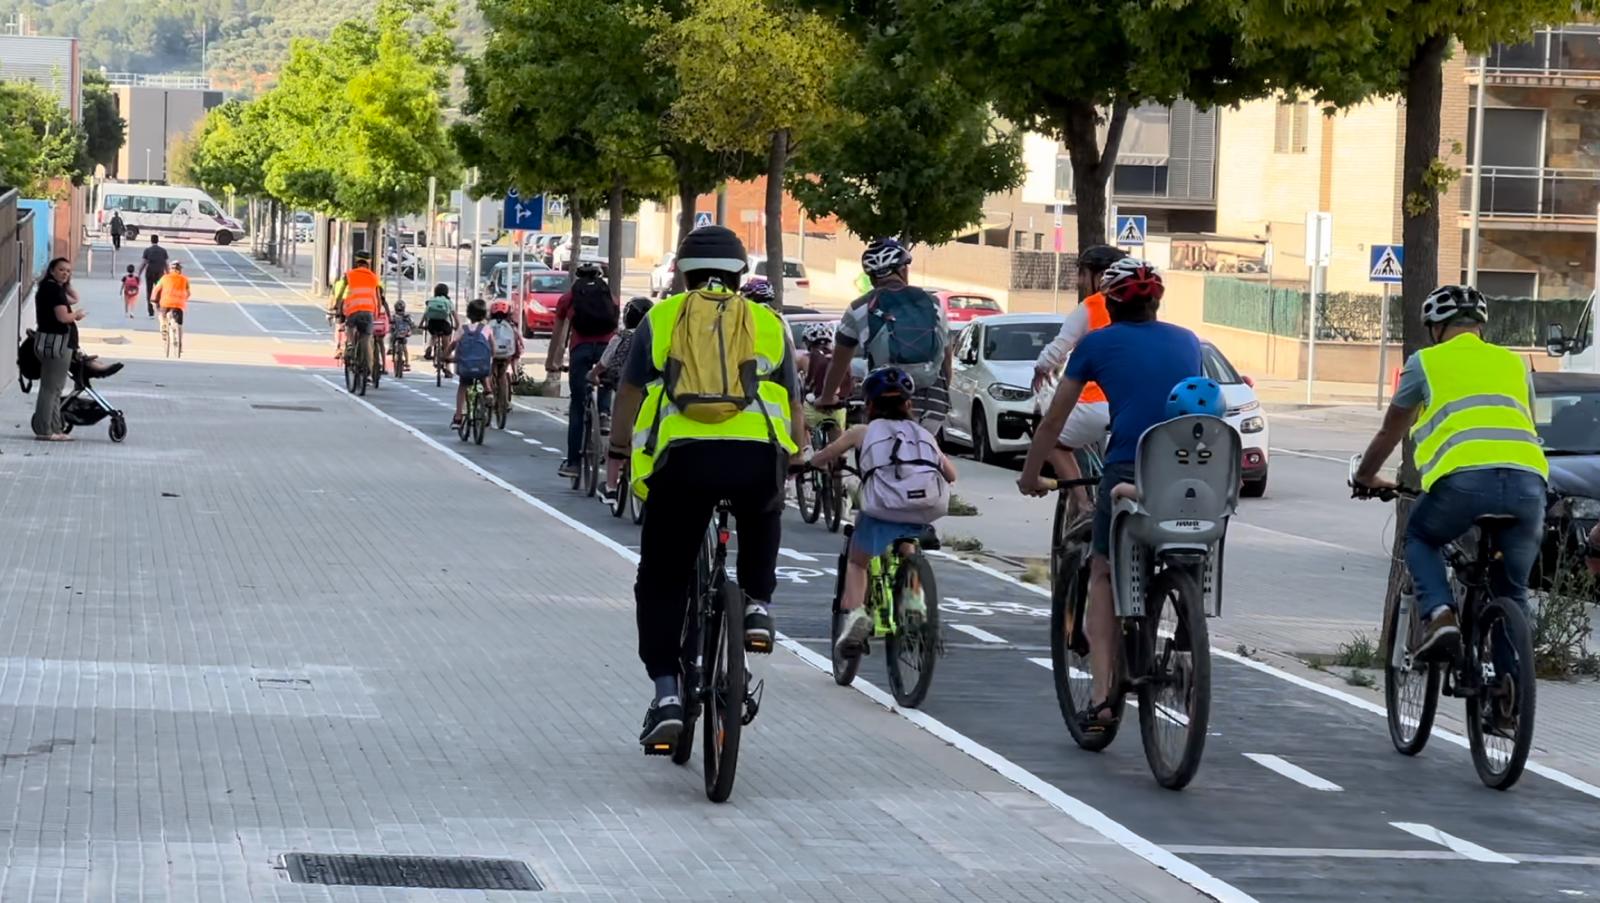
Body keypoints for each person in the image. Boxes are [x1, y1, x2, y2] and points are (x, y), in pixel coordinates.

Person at [608, 225, 804, 748]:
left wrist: (618, 454)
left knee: (662, 576)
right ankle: (758, 603)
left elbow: (628, 394)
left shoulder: (661, 318)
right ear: (742, 274)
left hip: (682, 463)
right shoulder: (768, 323)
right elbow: (794, 403)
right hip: (755, 457)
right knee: (764, 510)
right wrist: (799, 456)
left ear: (681, 274)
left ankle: (668, 694)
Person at [1017, 258, 1203, 734]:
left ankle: (1101, 701)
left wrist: (1031, 474)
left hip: (1128, 465)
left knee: (1102, 571)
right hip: (1191, 473)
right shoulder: (1187, 340)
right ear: (1157, 302)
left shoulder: (1097, 343)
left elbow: (1055, 421)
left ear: (1111, 303)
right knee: (1186, 545)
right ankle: (1186, 632)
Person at [1352, 285, 1548, 661]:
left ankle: (1441, 615)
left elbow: (1390, 431)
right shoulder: (1514, 364)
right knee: (1511, 592)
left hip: (1462, 481)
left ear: (1435, 328)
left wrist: (1365, 477)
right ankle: (1508, 703)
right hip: (1528, 483)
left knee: (1421, 537)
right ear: (1480, 326)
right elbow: (1530, 425)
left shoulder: (1425, 362)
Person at [810, 367, 958, 657]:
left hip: (882, 509)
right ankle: (914, 600)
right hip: (925, 508)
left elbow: (825, 456)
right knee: (907, 544)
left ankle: (856, 615)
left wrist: (806, 463)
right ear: (909, 405)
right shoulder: (923, 434)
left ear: (869, 405)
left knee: (857, 562)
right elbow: (950, 474)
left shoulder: (862, 431)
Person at [817, 237, 951, 433]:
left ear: (872, 278)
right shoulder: (933, 303)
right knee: (927, 453)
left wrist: (827, 397)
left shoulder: (858, 308)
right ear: (903, 270)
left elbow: (839, 362)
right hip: (931, 402)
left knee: (877, 451)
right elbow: (947, 359)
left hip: (884, 397)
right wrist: (945, 391)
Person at [1031, 244, 1126, 516]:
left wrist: (1041, 368)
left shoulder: (1091, 306)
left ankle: (1082, 502)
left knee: (1052, 442)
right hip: (1126, 406)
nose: (1080, 281)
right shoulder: (1138, 310)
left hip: (1093, 404)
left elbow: (1059, 348)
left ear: (1100, 275)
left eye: (1083, 274)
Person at [547, 262, 618, 478]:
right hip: (607, 349)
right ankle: (604, 413)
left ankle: (573, 464)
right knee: (606, 378)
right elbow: (615, 328)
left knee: (577, 405)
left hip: (581, 350)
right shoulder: (611, 297)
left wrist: (552, 362)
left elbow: (559, 335)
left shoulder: (568, 299)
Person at [592, 295, 653, 503]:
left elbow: (604, 363)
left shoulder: (622, 337)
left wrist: (592, 375)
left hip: (626, 392)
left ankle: (610, 488)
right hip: (652, 395)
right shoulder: (656, 336)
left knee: (617, 440)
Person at [31, 257, 85, 441]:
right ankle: (45, 429)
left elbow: (74, 297)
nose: (65, 273)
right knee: (51, 388)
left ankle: (54, 428)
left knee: (53, 387)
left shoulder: (50, 288)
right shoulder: (53, 290)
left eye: (68, 271)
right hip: (57, 343)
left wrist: (66, 283)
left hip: (52, 341)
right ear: (52, 270)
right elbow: (62, 317)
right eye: (61, 269)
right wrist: (75, 315)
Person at [449, 298, 494, 429]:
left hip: (466, 366)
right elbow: (493, 348)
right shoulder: (487, 329)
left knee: (463, 386)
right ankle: (488, 391)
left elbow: (453, 344)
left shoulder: (463, 329)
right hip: (482, 365)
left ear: (468, 314)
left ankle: (458, 417)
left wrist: (446, 356)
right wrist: (490, 357)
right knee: (484, 374)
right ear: (484, 314)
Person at [335, 256, 382, 378]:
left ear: (357, 265)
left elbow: (340, 293)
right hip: (368, 311)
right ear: (367, 266)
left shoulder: (350, 275)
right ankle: (368, 368)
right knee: (366, 338)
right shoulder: (373, 277)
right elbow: (378, 298)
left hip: (353, 309)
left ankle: (350, 344)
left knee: (350, 327)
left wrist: (337, 305)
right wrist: (377, 313)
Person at [799, 322, 849, 436]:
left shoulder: (804, 359)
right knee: (838, 444)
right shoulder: (839, 357)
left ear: (808, 342)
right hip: (837, 407)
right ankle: (841, 453)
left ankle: (802, 450)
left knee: (798, 421)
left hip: (813, 408)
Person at [487, 297, 525, 407]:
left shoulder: (489, 325)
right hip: (507, 354)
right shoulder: (511, 327)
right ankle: (505, 402)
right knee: (502, 374)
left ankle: (489, 394)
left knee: (491, 371)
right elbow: (518, 344)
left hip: (493, 354)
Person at [151, 261, 191, 345]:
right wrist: (184, 299)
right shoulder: (184, 279)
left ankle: (163, 327)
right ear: (180, 270)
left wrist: (153, 300)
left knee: (161, 315)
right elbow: (188, 293)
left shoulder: (164, 278)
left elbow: (156, 289)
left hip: (165, 303)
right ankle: (179, 342)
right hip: (179, 304)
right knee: (179, 324)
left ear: (170, 269)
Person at [421, 283, 457, 373]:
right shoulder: (448, 302)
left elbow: (426, 314)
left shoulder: (431, 301)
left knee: (433, 335)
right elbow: (455, 316)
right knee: (446, 345)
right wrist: (457, 326)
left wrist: (421, 324)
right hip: (444, 324)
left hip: (432, 323)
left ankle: (429, 347)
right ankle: (448, 369)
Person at [137, 234, 170, 317]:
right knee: (159, 291)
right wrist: (168, 274)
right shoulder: (163, 251)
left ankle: (150, 311)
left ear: (151, 241)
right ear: (157, 241)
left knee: (149, 291)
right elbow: (166, 264)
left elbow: (143, 263)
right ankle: (159, 307)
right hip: (160, 273)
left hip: (150, 273)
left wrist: (139, 273)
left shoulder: (147, 250)